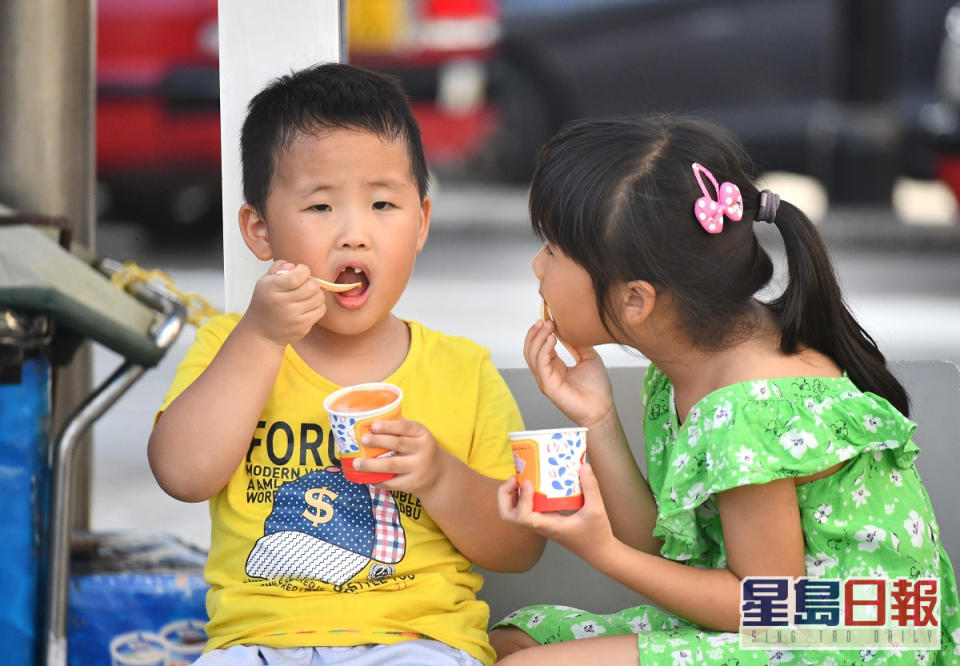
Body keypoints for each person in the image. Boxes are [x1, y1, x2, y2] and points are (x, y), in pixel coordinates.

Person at [489, 115, 960, 665]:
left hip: (853, 642)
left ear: (635, 300)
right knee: (516, 641)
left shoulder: (744, 407)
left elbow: (772, 610)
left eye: (552, 249)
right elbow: (670, 548)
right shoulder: (688, 362)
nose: (536, 265)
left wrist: (603, 554)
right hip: (785, 624)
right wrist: (597, 420)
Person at [147, 62, 544, 666]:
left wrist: (439, 476)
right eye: (320, 207)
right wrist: (259, 338)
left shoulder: (463, 370)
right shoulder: (232, 346)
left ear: (422, 224)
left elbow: (520, 547)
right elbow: (181, 473)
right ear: (259, 231)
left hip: (415, 645)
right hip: (258, 646)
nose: (354, 235)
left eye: (383, 203)